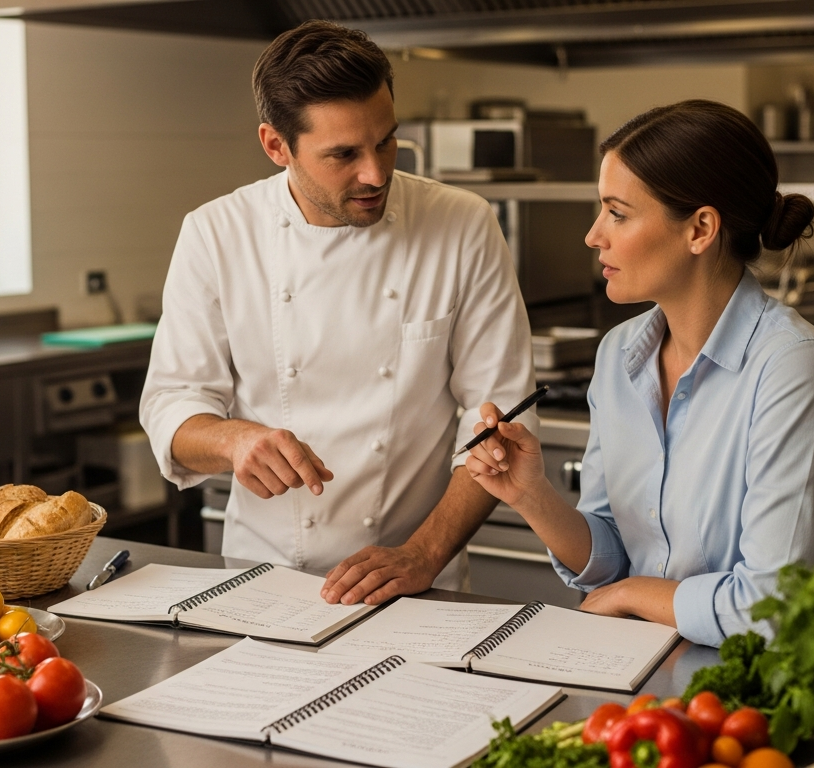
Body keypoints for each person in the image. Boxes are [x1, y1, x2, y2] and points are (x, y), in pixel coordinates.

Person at [139, 21, 535, 604]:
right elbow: (171, 405)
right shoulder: (216, 233)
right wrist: (234, 441)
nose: (376, 174)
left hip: (418, 586)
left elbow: (501, 422)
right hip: (262, 582)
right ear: (276, 146)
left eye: (386, 142)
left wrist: (422, 556)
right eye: (343, 155)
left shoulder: (462, 224)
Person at [464, 100, 814, 647]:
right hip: (641, 673)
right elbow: (609, 561)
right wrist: (530, 495)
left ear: (700, 229)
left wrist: (634, 594)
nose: (593, 235)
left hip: (752, 691)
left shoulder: (793, 365)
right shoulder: (619, 355)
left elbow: (774, 607)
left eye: (617, 213)